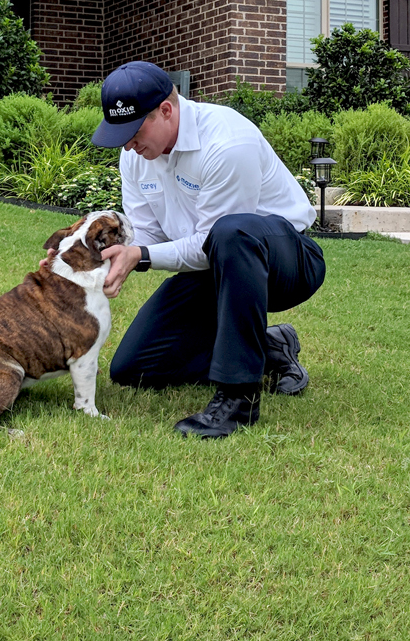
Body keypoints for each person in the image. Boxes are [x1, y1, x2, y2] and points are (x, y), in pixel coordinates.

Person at [48, 61, 325, 439]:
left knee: (232, 231)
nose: (128, 144)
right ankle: (270, 346)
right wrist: (83, 263)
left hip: (283, 263)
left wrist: (141, 257)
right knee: (134, 369)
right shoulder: (135, 156)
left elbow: (213, 242)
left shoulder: (228, 143)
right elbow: (144, 233)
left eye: (134, 131)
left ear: (166, 110)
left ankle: (238, 397)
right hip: (212, 268)